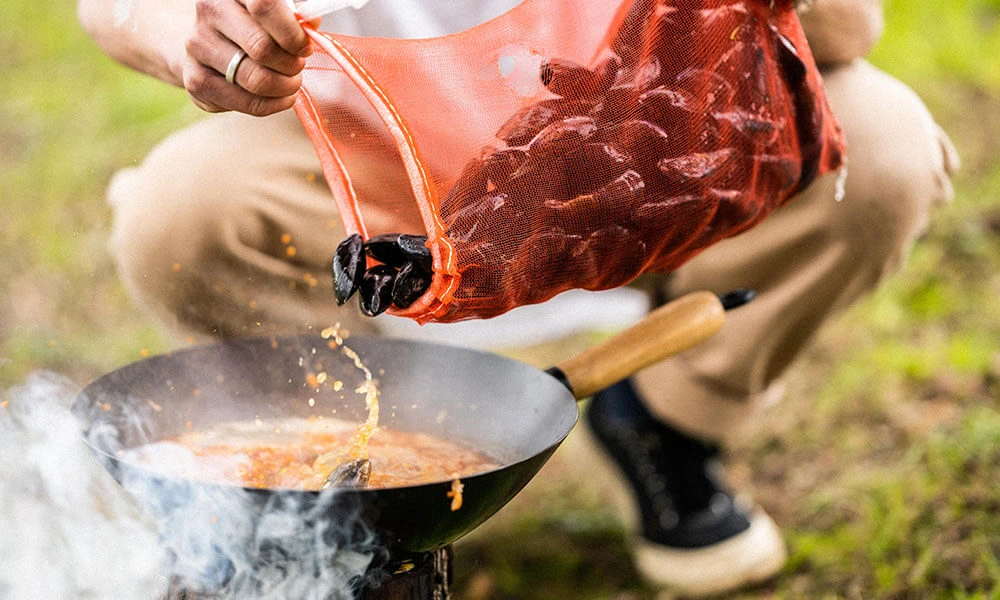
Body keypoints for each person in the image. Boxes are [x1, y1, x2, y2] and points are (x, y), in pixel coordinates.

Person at [77, 0, 958, 595]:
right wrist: (191, 35)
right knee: (179, 214)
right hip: (380, 173)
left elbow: (851, 28)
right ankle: (362, 465)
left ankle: (666, 422)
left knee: (883, 148)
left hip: (650, 136)